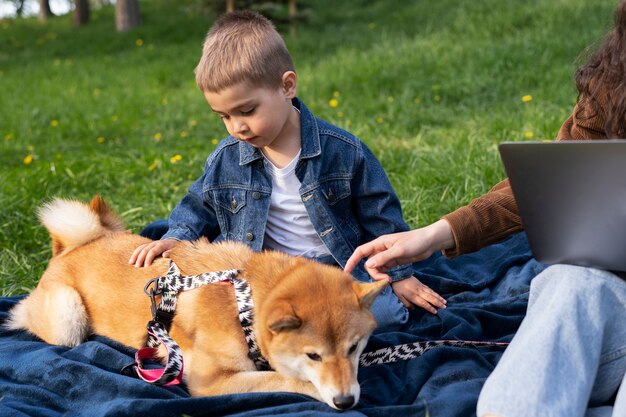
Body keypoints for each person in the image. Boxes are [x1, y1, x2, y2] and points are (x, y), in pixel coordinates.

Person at [345, 0, 626, 414]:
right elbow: (558, 182)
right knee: (569, 281)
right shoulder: (614, 79)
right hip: (612, 304)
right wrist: (433, 236)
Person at [127, 10, 446, 332]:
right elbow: (198, 206)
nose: (237, 126)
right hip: (266, 269)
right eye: (223, 116)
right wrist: (176, 237)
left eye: (247, 110)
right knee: (226, 320)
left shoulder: (343, 151)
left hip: (337, 267)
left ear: (287, 86)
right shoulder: (227, 158)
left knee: (387, 318)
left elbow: (381, 219)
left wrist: (400, 276)